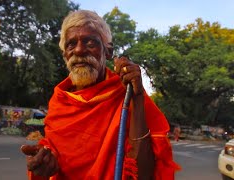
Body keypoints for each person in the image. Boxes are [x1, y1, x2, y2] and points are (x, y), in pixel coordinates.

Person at [21, 10, 180, 179]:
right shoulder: (59, 101)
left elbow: (145, 175)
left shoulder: (128, 93)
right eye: (71, 44)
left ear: (109, 51)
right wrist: (43, 168)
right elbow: (51, 164)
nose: (79, 50)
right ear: (65, 55)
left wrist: (137, 98)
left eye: (90, 43)